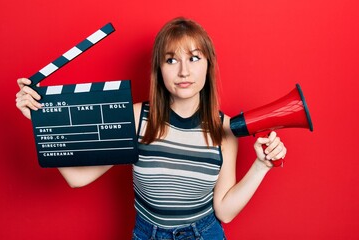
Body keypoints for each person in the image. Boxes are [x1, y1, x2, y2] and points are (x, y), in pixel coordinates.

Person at [15, 17, 287, 240]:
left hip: (204, 234)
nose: (183, 71)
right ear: (159, 69)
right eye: (171, 60)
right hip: (147, 234)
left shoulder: (225, 129)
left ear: (208, 65)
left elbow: (225, 211)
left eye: (194, 58)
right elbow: (78, 178)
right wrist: (42, 123)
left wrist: (261, 166)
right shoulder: (136, 118)